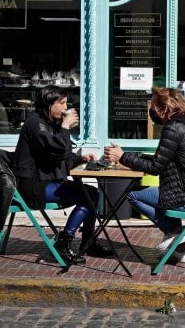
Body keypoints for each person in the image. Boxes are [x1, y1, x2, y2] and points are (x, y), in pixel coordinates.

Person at [104, 87, 185, 264]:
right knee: (162, 194)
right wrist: (127, 159)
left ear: (164, 109)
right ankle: (179, 247)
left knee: (132, 194)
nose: (151, 110)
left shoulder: (173, 129)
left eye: (153, 106)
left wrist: (122, 156)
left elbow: (156, 167)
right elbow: (162, 159)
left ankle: (176, 235)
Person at [13, 85, 112, 264]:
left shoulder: (50, 124)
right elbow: (56, 150)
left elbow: (62, 156)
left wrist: (79, 158)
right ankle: (64, 243)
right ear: (49, 104)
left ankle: (87, 242)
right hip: (32, 186)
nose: (65, 108)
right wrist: (65, 127)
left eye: (66, 103)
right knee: (88, 195)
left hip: (46, 181)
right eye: (62, 103)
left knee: (92, 193)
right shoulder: (36, 124)